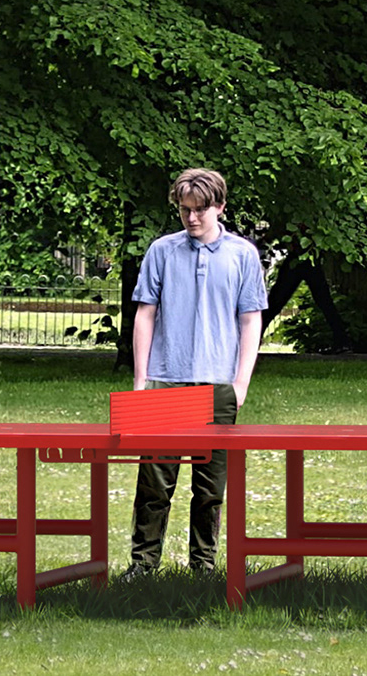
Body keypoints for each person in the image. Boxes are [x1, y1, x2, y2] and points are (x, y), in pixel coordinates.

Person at [121, 168, 268, 578]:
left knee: (209, 489)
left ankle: (203, 569)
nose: (192, 218)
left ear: (219, 207)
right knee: (154, 484)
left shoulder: (242, 255)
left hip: (218, 383)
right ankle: (142, 567)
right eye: (185, 209)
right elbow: (145, 315)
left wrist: (240, 382)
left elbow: (250, 320)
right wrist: (141, 381)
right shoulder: (162, 251)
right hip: (165, 380)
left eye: (201, 209)